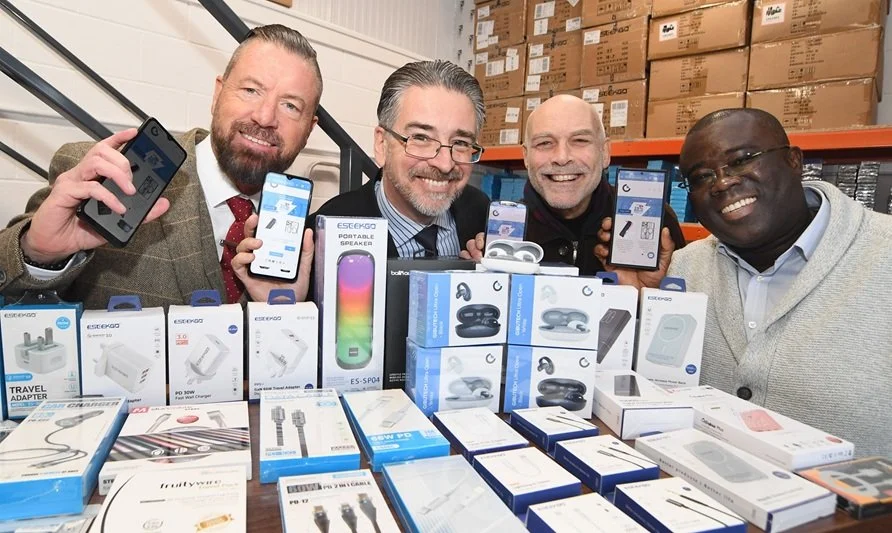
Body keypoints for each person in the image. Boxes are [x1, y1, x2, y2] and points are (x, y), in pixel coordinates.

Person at [604, 108, 892, 458]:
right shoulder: (680, 270)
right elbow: (637, 397)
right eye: (701, 176)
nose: (723, 182)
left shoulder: (882, 253)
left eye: (743, 159)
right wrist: (638, 307)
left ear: (794, 161)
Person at [0, 25, 320, 308]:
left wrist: (281, 309)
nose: (265, 117)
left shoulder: (297, 230)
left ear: (309, 129)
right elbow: (12, 290)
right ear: (218, 93)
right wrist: (38, 253)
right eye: (251, 90)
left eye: (290, 106)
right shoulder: (108, 178)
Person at [462, 94, 684, 276]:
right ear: (526, 157)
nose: (562, 157)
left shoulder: (657, 224)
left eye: (580, 141)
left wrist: (649, 295)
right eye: (545, 143)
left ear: (605, 153)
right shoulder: (495, 235)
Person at [307, 60, 489, 258]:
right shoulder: (322, 234)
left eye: (461, 142)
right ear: (382, 144)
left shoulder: (481, 214)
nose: (445, 164)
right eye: (421, 138)